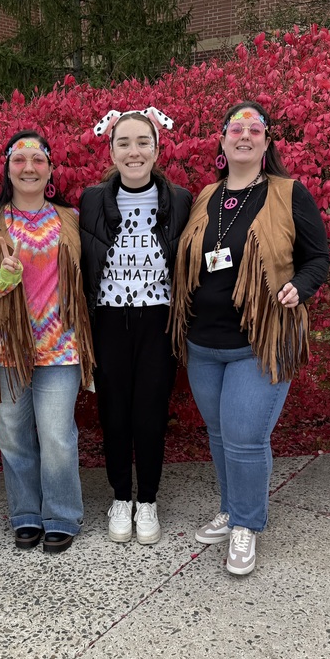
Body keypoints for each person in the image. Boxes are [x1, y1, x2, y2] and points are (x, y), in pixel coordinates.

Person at [170, 102, 330, 576]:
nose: (244, 135)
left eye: (254, 129)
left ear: (266, 141)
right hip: (203, 344)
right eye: (235, 128)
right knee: (220, 434)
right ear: (222, 140)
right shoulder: (206, 195)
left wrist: (300, 286)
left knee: (244, 436)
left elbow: (318, 258)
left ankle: (246, 524)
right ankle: (230, 507)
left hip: (259, 342)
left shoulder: (288, 192)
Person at [0, 130, 94, 554]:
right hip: (4, 348)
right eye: (19, 160)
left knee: (57, 436)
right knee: (13, 437)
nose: (29, 168)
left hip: (61, 347)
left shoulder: (71, 219)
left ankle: (61, 515)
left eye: (38, 160)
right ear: (7, 169)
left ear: (51, 169)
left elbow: (91, 279)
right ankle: (25, 515)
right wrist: (1, 279)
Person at [80, 108, 191, 544]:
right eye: (123, 143)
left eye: (143, 142)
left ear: (157, 149)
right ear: (111, 151)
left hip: (158, 320)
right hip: (109, 319)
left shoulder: (179, 199)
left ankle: (147, 499)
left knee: (150, 413)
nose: (134, 151)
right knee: (113, 413)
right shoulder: (92, 200)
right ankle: (120, 497)